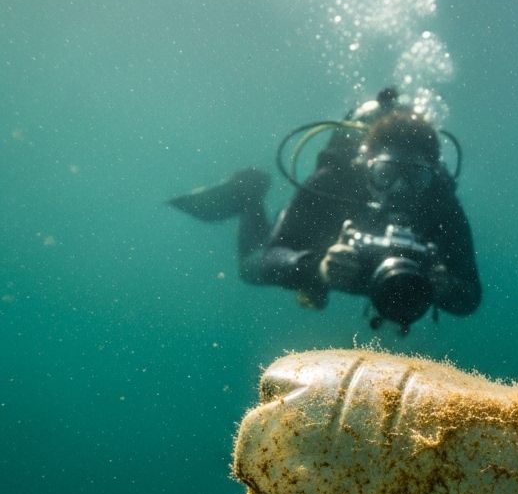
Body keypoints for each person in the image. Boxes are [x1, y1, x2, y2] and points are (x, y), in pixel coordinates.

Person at [168, 87, 482, 334]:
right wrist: (315, 269)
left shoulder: (441, 204)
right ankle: (249, 194)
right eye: (386, 174)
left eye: (415, 177)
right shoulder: (334, 181)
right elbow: (267, 258)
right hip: (321, 240)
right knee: (248, 266)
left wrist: (446, 287)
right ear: (365, 166)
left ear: (433, 175)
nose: (399, 189)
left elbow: (471, 296)